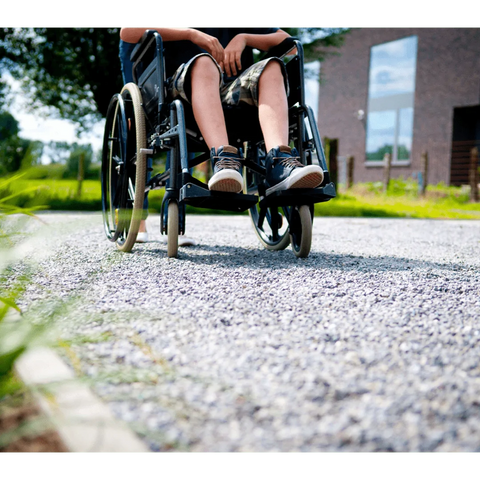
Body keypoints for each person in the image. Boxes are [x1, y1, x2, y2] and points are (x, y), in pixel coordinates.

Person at [120, 25, 324, 225]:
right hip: (181, 88)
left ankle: (280, 161)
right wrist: (191, 34)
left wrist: (244, 37)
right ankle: (223, 159)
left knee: (271, 67)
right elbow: (128, 31)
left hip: (231, 90)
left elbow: (289, 44)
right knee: (203, 63)